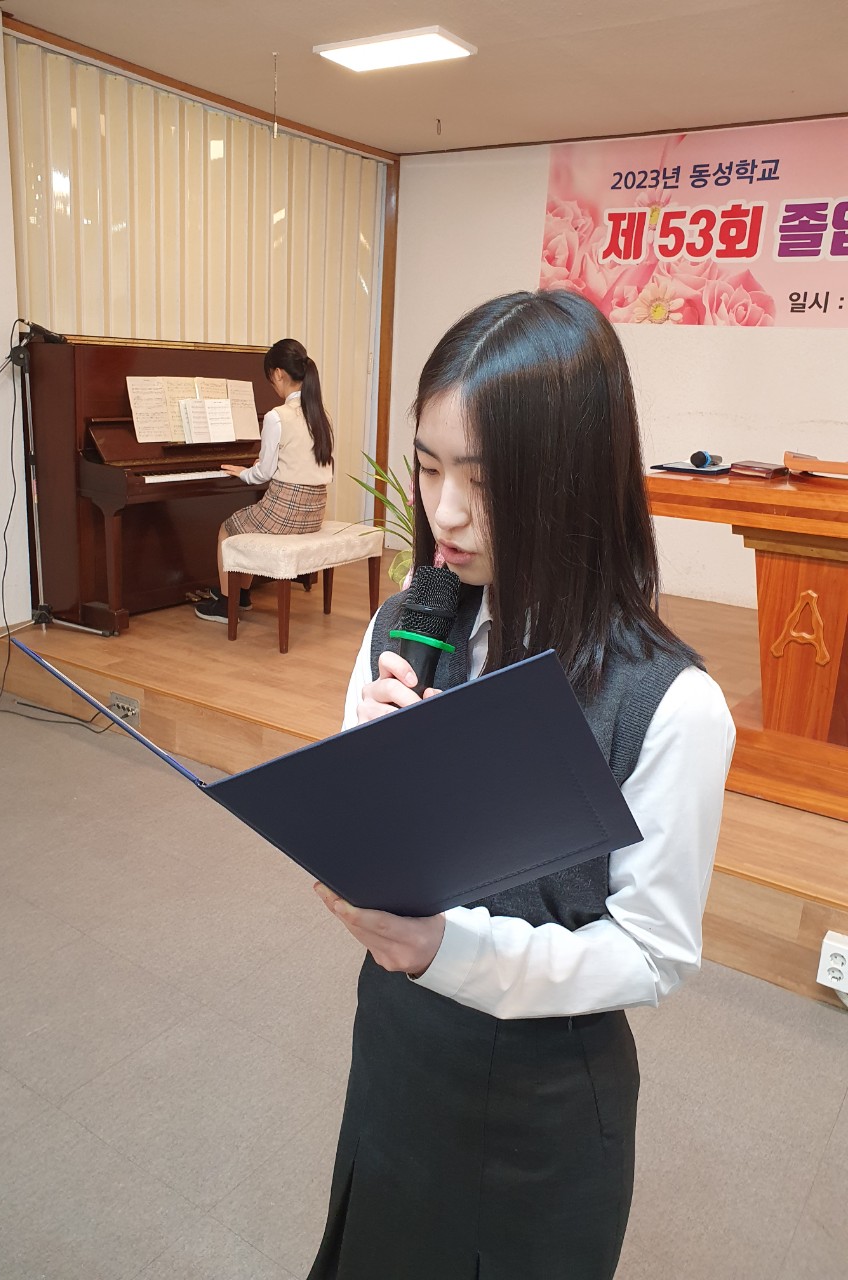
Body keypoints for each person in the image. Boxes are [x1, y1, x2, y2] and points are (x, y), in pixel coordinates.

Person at [307, 290, 736, 1279]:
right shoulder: (406, 625)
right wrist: (362, 787)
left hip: (540, 1105)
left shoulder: (670, 705)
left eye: (485, 480)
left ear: (574, 484)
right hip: (398, 1045)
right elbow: (360, 853)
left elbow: (654, 952)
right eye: (428, 466)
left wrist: (447, 947)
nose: (445, 511)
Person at [195, 337, 334, 622]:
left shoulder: (277, 416)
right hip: (314, 512)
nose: (272, 385)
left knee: (228, 530)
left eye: (270, 378)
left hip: (285, 511)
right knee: (246, 526)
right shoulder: (320, 414)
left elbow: (264, 473)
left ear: (279, 373)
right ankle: (243, 595)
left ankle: (226, 604)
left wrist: (244, 472)